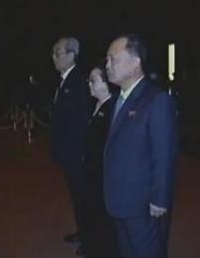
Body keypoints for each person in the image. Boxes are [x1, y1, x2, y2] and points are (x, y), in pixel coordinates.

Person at [104, 34, 179, 258]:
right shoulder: (120, 98)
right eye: (106, 60)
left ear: (136, 62)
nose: (107, 65)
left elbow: (164, 154)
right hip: (121, 201)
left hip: (144, 206)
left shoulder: (155, 100)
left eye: (112, 59)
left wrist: (160, 199)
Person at [50, 36, 93, 256]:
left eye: (58, 53)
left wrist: (82, 153)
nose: (54, 57)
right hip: (69, 153)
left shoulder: (78, 82)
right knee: (77, 196)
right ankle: (83, 232)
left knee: (84, 198)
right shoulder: (64, 81)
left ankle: (91, 240)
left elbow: (82, 121)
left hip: (78, 154)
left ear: (71, 55)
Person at [81, 64, 119, 258]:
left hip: (103, 174)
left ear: (106, 84)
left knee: (104, 217)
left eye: (93, 80)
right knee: (93, 212)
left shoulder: (112, 108)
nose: (89, 84)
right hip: (92, 172)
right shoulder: (95, 105)